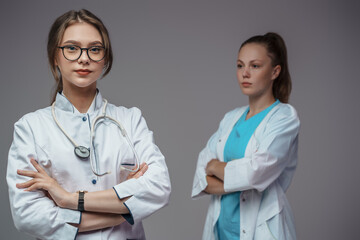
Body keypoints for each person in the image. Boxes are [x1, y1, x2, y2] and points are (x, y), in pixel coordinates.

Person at [7, 9, 171, 240]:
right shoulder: (31, 128)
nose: (84, 58)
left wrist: (69, 199)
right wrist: (121, 212)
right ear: (55, 56)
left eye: (94, 49)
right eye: (72, 48)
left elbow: (159, 189)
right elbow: (27, 215)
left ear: (105, 58)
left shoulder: (130, 119)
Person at [191, 32, 300, 240]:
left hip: (262, 229)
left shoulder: (284, 117)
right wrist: (238, 177)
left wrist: (216, 167)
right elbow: (201, 174)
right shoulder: (230, 119)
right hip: (222, 229)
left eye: (255, 66)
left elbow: (256, 173)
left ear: (275, 71)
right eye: (240, 65)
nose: (245, 73)